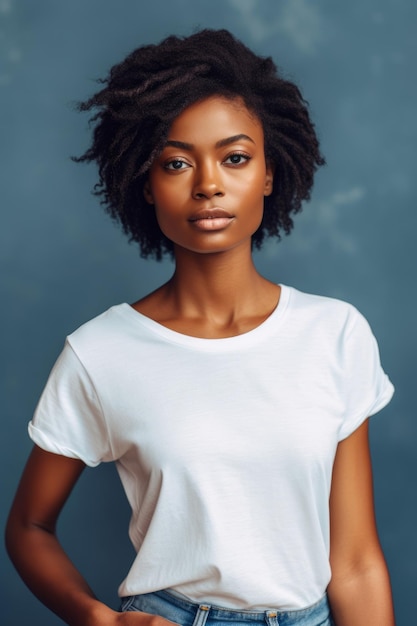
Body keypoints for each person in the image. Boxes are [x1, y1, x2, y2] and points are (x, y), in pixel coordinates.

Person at [6, 29, 396, 626]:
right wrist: (97, 619)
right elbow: (29, 526)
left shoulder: (336, 334)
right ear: (146, 183)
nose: (208, 183)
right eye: (177, 162)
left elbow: (358, 560)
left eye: (235, 158)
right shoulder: (101, 353)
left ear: (269, 173)